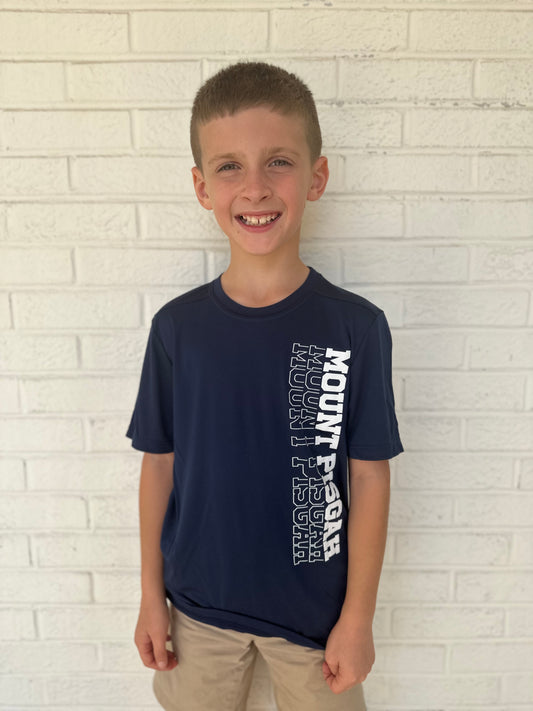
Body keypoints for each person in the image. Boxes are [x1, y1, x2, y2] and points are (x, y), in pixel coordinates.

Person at [127, 61, 403, 711]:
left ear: (316, 176)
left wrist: (357, 617)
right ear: (202, 187)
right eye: (229, 166)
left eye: (278, 161)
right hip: (197, 608)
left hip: (316, 618)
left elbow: (369, 475)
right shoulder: (177, 328)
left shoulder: (355, 327)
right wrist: (150, 595)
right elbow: (158, 463)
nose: (254, 188)